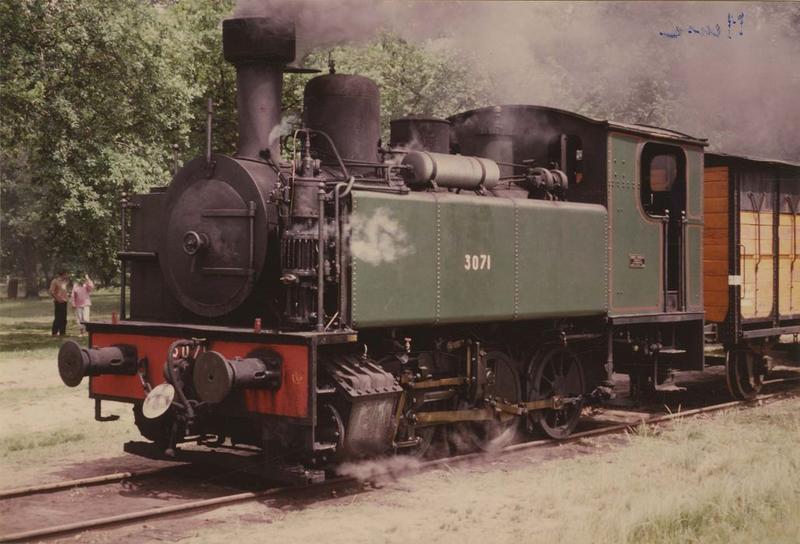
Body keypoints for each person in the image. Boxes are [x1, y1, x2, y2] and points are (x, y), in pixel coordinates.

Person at [49, 270, 69, 336]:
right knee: (58, 317)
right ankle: (54, 332)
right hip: (58, 302)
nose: (67, 275)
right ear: (63, 274)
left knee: (64, 318)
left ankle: (62, 332)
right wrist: (57, 299)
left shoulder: (65, 282)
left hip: (64, 301)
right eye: (66, 274)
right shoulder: (55, 281)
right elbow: (51, 291)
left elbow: (64, 290)